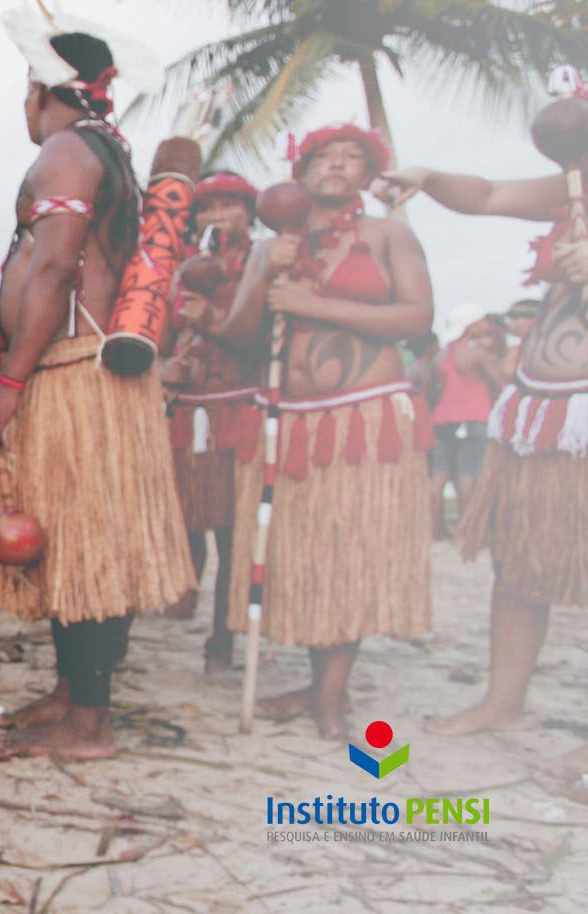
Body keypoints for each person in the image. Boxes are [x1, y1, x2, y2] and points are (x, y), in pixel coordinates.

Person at [0, 8, 193, 760]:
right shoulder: (106, 148)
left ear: (41, 84)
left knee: (84, 541)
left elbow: (56, 268)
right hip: (86, 374)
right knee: (74, 541)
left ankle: (90, 722)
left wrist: (9, 381)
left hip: (74, 374)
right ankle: (71, 693)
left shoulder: (68, 149)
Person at [372, 86, 588, 796]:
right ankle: (503, 703)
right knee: (520, 563)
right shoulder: (571, 184)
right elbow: (490, 192)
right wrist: (429, 179)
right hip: (538, 412)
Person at [195, 123, 434, 741]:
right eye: (322, 156)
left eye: (351, 156)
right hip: (286, 417)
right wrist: (262, 277)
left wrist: (315, 306)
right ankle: (313, 682)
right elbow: (244, 338)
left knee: (347, 551)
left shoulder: (390, 234)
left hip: (363, 416)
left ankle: (332, 695)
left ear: (370, 171)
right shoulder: (267, 247)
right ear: (297, 176)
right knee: (301, 555)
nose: (335, 165)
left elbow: (416, 317)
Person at [158, 171, 259, 678]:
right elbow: (156, 339)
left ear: (249, 212)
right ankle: (184, 593)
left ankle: (222, 638)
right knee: (187, 514)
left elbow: (262, 343)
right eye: (208, 208)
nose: (218, 216)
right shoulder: (179, 269)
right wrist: (161, 369)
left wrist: (214, 319)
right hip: (187, 411)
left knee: (232, 533)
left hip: (239, 410)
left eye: (229, 206)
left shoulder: (263, 265)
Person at [429, 311, 508, 540]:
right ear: (470, 325)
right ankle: (470, 530)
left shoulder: (442, 355)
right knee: (469, 473)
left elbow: (437, 385)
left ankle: (434, 529)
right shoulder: (476, 353)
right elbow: (501, 382)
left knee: (439, 474)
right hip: (473, 417)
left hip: (443, 418)